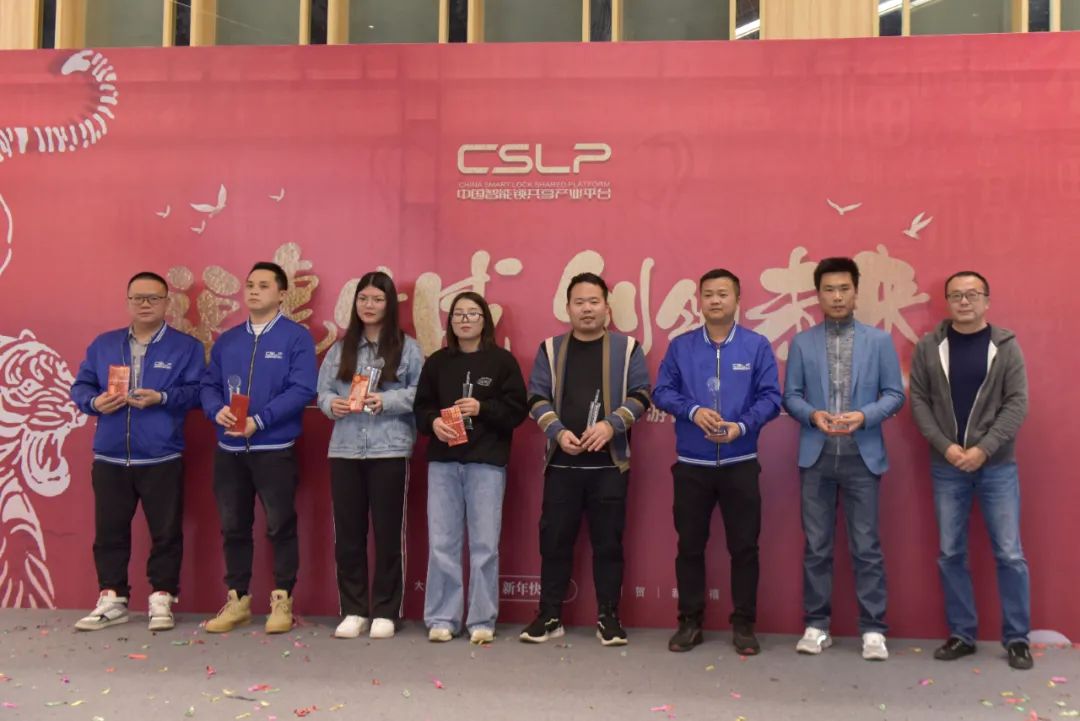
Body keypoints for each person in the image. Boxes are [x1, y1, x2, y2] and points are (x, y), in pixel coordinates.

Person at [782, 257, 905, 661]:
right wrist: (812, 415)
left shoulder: (879, 341)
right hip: (816, 457)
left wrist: (864, 416)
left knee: (866, 546)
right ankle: (817, 626)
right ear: (817, 295)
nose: (837, 296)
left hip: (862, 457)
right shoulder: (802, 342)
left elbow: (894, 394)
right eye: (829, 290)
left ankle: (873, 629)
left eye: (844, 289)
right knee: (817, 547)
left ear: (856, 293)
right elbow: (791, 396)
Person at [653, 268, 781, 653]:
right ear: (699, 300)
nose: (715, 300)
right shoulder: (681, 346)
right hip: (692, 465)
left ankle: (744, 624)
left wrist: (741, 427)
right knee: (690, 546)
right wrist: (692, 411)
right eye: (708, 294)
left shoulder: (756, 346)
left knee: (745, 547)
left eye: (723, 294)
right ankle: (690, 623)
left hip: (741, 462)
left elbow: (771, 398)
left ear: (737, 299)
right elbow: (662, 392)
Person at [519, 273, 651, 647]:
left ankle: (608, 617)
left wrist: (610, 426)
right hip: (562, 465)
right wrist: (558, 432)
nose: (587, 309)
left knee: (608, 545)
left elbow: (642, 395)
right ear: (568, 308)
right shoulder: (550, 349)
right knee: (554, 543)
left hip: (610, 466)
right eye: (579, 302)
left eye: (594, 301)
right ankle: (550, 615)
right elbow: (535, 397)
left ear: (607, 307)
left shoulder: (628, 349)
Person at [909, 271, 1032, 670]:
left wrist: (983, 449)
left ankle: (1017, 639)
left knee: (1010, 553)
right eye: (956, 295)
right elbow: (919, 402)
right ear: (946, 302)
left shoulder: (1006, 347)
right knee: (950, 552)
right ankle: (962, 634)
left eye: (972, 294)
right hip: (947, 465)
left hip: (996, 466)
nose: (964, 301)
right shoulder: (930, 347)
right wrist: (945, 446)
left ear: (987, 301)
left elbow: (1017, 404)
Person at [70, 271, 204, 631]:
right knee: (109, 533)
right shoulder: (104, 344)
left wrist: (162, 397)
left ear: (167, 303)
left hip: (161, 456)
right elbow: (80, 386)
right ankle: (112, 598)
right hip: (110, 456)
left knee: (166, 533)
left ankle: (162, 597)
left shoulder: (186, 347)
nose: (145, 304)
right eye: (138, 298)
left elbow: (198, 392)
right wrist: (95, 402)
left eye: (153, 298)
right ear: (127, 301)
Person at [200, 262, 317, 634]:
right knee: (233, 526)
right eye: (250, 284)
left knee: (280, 525)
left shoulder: (295, 338)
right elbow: (208, 384)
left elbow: (302, 388)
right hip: (229, 450)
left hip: (274, 448)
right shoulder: (229, 340)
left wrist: (260, 421)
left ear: (282, 294)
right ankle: (238, 600)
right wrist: (215, 409)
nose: (253, 291)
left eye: (264, 285)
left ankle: (282, 599)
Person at [414, 292, 527, 644]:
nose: (465, 320)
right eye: (458, 314)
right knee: (442, 543)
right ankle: (442, 618)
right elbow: (420, 408)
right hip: (443, 462)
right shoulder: (437, 362)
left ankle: (481, 619)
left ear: (485, 320)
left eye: (472, 314)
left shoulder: (502, 362)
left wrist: (483, 409)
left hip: (486, 463)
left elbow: (517, 411)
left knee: (485, 545)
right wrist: (433, 423)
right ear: (450, 322)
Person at [316, 271, 424, 640]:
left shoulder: (408, 348)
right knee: (348, 534)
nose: (369, 305)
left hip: (389, 448)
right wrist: (333, 404)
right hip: (345, 449)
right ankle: (354, 609)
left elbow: (421, 393)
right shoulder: (340, 348)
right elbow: (322, 393)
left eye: (378, 299)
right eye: (363, 298)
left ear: (390, 304)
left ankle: (386, 611)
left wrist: (387, 400)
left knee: (388, 533)